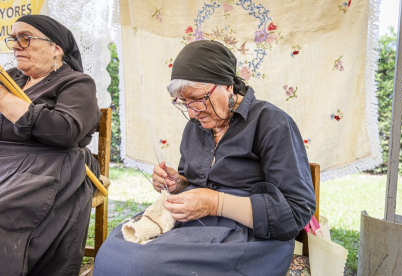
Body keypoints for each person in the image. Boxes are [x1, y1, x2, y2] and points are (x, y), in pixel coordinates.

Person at [94, 40, 316, 276]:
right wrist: (179, 184)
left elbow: (296, 212)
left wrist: (215, 203)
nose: (191, 112)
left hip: (249, 237)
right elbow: (197, 183)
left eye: (198, 99)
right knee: (112, 250)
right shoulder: (195, 127)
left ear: (228, 87)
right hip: (197, 226)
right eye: (184, 102)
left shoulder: (272, 123)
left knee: (144, 265)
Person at [0, 15, 101, 276]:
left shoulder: (77, 83)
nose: (16, 46)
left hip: (48, 165)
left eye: (25, 38)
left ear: (56, 48)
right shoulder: (11, 78)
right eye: (13, 39)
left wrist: (4, 100)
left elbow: (65, 131)